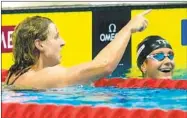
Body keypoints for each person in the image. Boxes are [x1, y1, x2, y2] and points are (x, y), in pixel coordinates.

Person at [5, 9, 151, 90]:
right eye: (56, 37)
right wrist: (129, 28)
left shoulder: (14, 74)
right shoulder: (47, 76)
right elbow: (104, 65)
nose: (63, 42)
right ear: (39, 44)